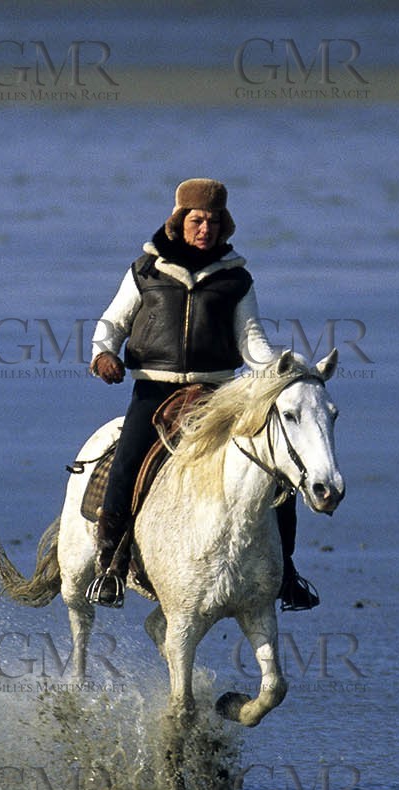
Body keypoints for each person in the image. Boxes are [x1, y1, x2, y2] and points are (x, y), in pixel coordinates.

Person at [85, 178, 319, 611]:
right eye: (197, 220)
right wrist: (103, 355)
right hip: (153, 390)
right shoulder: (145, 271)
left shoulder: (236, 279)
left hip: (216, 394)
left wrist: (281, 368)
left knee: (276, 475)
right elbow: (111, 323)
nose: (205, 228)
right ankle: (110, 568)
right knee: (126, 464)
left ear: (223, 225)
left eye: (213, 221)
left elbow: (251, 342)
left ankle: (285, 573)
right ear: (179, 220)